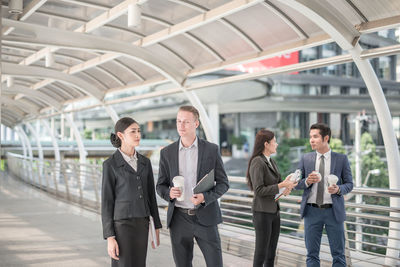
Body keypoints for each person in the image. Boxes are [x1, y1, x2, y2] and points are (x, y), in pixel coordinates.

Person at [156, 105, 229, 267]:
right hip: (179, 220)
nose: (181, 126)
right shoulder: (167, 153)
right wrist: (169, 193)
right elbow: (160, 185)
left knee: (215, 264)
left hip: (206, 217)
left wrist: (205, 197)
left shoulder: (211, 150)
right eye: (178, 121)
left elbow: (224, 183)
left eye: (186, 122)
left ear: (196, 124)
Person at [101, 117, 162, 267]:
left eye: (139, 131)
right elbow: (107, 202)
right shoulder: (110, 165)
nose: (138, 135)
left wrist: (156, 228)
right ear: (121, 135)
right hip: (122, 226)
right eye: (133, 131)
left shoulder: (144, 162)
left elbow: (151, 197)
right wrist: (110, 237)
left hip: (142, 223)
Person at [296, 123, 353, 267]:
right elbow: (296, 183)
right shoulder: (306, 158)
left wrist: (338, 189)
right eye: (310, 137)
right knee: (311, 255)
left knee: (339, 255)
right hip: (311, 211)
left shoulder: (341, 159)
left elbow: (349, 184)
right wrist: (307, 181)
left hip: (333, 212)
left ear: (326, 138)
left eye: (315, 137)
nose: (311, 140)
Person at [246, 129, 298, 267]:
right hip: (262, 213)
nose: (277, 144)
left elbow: (277, 187)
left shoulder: (272, 162)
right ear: (266, 144)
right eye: (274, 141)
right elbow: (259, 190)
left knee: (271, 253)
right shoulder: (257, 162)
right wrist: (281, 184)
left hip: (274, 212)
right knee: (261, 253)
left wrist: (287, 185)